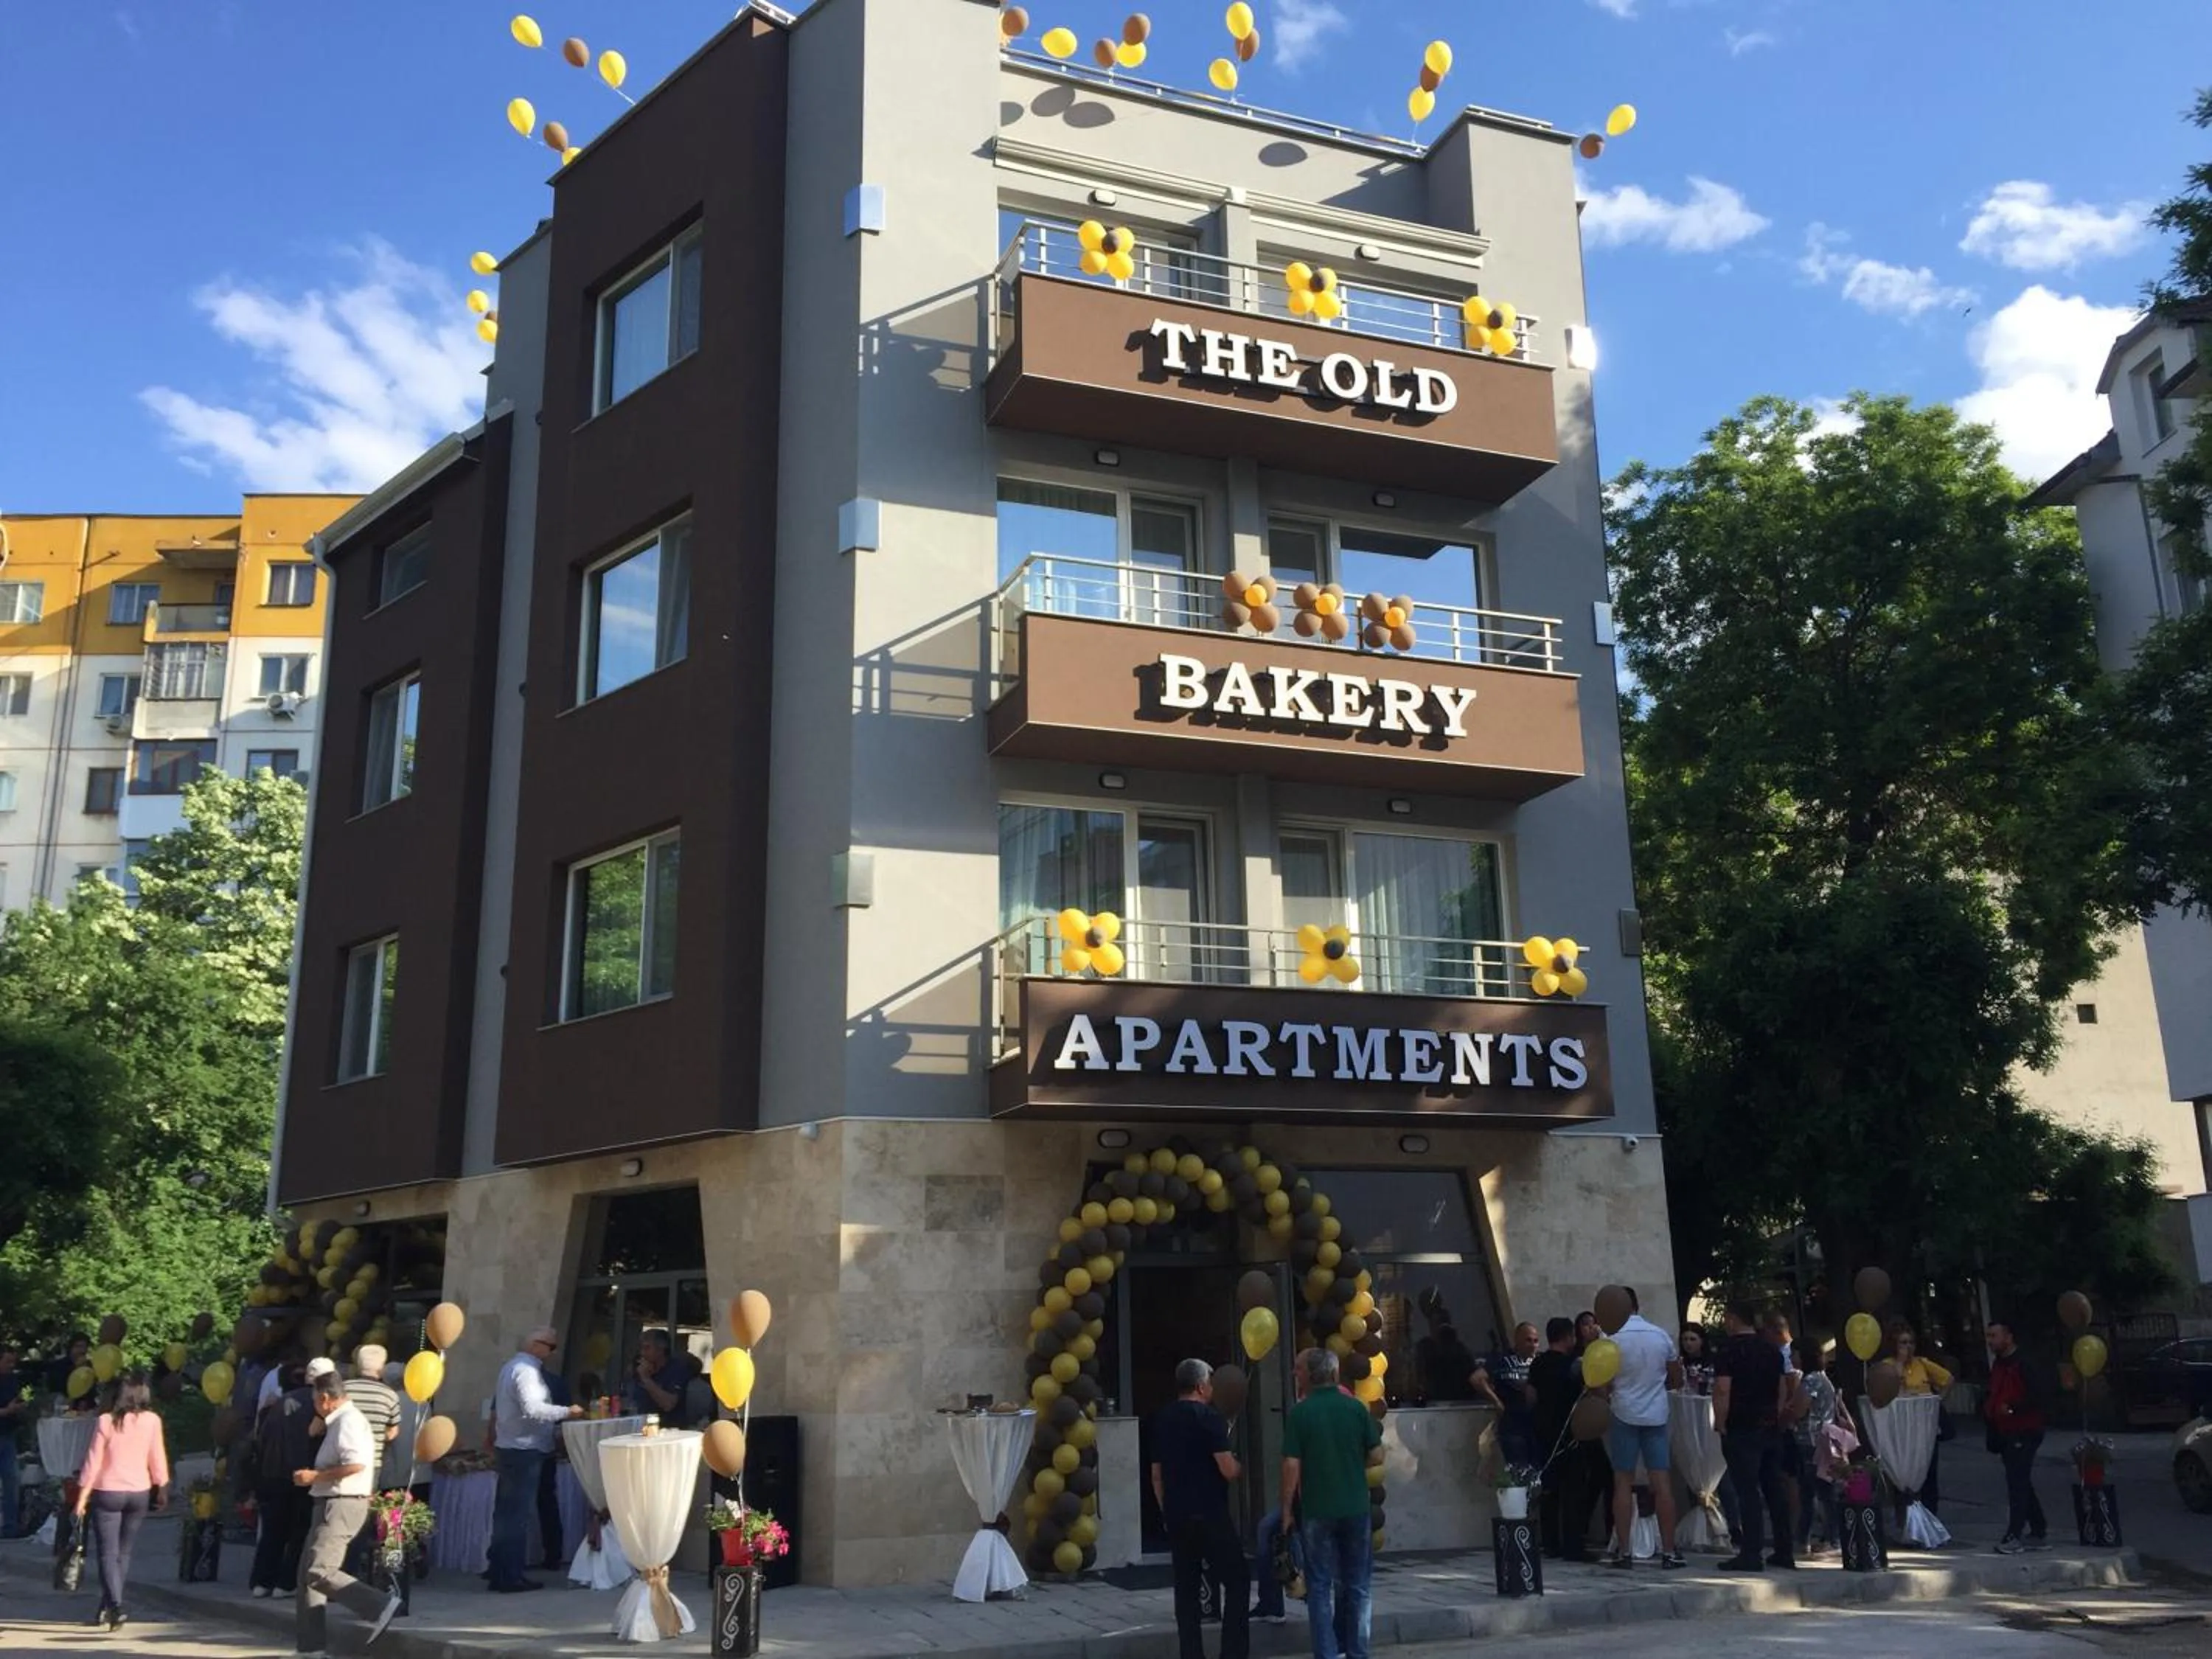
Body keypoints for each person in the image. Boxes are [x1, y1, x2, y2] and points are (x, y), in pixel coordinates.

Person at [1281, 1347, 1382, 1659]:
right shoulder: (1354, 1408)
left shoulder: (1300, 1413)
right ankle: (1357, 1652)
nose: (1294, 1374)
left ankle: (1326, 1653)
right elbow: (1377, 1455)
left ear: (1311, 1375)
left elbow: (1291, 1466)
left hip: (1318, 1509)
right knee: (1358, 1585)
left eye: (1297, 1369)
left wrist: (1286, 1509)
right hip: (1355, 1507)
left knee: (1320, 1586)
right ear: (1335, 1374)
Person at [293, 1371, 403, 1655]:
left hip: (341, 1501)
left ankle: (379, 1605)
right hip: (332, 1500)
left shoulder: (348, 1421)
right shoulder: (341, 1421)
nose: (314, 1406)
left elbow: (355, 1464)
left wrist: (314, 1476)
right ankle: (310, 1647)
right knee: (307, 1576)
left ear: (325, 1399)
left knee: (320, 1571)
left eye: (315, 1400)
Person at [1149, 1359, 1247, 1659]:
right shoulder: (1209, 1418)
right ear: (1202, 1386)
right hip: (1210, 1513)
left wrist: (1167, 1510)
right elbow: (1227, 1469)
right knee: (1238, 1580)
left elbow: (1156, 1474)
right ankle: (1233, 1652)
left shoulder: (1162, 1418)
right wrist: (1240, 1465)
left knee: (1186, 1589)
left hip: (1178, 1513)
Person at [73, 1369, 170, 1632]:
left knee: (108, 1552)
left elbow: (93, 1462)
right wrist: (162, 1487)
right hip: (139, 1492)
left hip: (108, 1493)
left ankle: (115, 1605)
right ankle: (107, 1606)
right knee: (123, 1553)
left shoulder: (106, 1421)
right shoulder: (152, 1420)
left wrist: (82, 1497)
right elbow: (157, 1455)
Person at [490, 1326, 584, 1592]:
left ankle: (500, 1571)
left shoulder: (511, 1367)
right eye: (551, 1347)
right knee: (516, 1516)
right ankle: (510, 1576)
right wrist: (569, 1412)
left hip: (511, 1446)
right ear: (536, 1346)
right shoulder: (527, 1371)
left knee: (506, 1514)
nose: (553, 1353)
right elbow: (534, 1409)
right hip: (525, 1449)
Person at [1603, 1288, 1685, 1569]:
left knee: (1622, 1483)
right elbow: (1677, 1378)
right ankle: (1669, 1552)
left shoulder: (1610, 1340)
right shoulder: (1660, 1335)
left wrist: (1614, 1394)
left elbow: (1601, 1383)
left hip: (1623, 1412)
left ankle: (1625, 1551)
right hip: (1656, 1414)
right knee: (1662, 1484)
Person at [1711, 1301, 1791, 1572]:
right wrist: (1776, 1418)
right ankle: (1784, 1549)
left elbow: (1723, 1389)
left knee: (1747, 1490)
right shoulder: (1771, 1350)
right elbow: (1782, 1389)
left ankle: (1751, 1552)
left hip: (1741, 1426)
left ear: (1733, 1319)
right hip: (1768, 1425)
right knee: (1774, 1489)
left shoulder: (1729, 1350)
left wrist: (1720, 1422)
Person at [1984, 1321, 2051, 1554]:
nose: (1991, 1341)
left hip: (2025, 1428)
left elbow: (2039, 1395)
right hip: (2006, 1430)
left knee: (2017, 1482)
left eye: (1995, 1336)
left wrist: (2013, 1407)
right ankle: (2038, 1528)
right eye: (1989, 1336)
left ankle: (2015, 1534)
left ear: (2008, 1337)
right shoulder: (1999, 1365)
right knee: (2019, 1478)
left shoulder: (2024, 1363)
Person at [251, 1361, 317, 1598]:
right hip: (303, 1473)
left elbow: (260, 1441)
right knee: (299, 1530)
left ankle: (262, 1582)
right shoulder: (316, 1403)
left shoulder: (274, 1407)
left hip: (273, 1473)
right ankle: (286, 1582)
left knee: (272, 1531)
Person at [1528, 1318, 1587, 1562]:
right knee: (1574, 1491)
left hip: (1544, 1432)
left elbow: (1530, 1396)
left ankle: (1550, 1543)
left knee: (1550, 1490)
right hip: (1569, 1433)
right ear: (1568, 1338)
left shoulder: (1538, 1364)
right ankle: (1573, 1546)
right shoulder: (1574, 1366)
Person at [341, 1347, 402, 1576]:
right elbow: (393, 1433)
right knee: (361, 1519)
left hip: (342, 1462)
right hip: (371, 1464)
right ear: (382, 1368)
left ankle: (334, 1567)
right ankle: (352, 1571)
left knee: (338, 1516)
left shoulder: (345, 1390)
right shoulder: (389, 1395)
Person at [1890, 1321, 1953, 1517]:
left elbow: (1948, 1379)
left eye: (1911, 1343)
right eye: (1903, 1343)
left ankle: (1931, 1517)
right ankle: (1906, 1519)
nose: (1908, 1348)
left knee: (1929, 1474)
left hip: (1925, 1427)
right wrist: (1900, 1364)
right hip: (1903, 1428)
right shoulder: (1888, 1366)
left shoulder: (1922, 1364)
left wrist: (1937, 1400)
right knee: (1904, 1476)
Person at [1472, 1323, 1542, 1467]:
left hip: (1537, 1428)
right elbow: (1477, 1379)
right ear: (1517, 1340)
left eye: (1536, 1341)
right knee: (1520, 1471)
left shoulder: (1540, 1362)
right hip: (1513, 1427)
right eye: (1528, 1340)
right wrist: (1496, 1401)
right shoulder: (1502, 1360)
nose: (1533, 1345)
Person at [623, 1329, 690, 1427]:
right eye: (641, 1348)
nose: (643, 1353)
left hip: (668, 1429)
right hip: (639, 1426)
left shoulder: (677, 1369)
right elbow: (625, 1399)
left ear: (661, 1349)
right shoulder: (637, 1367)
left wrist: (646, 1379)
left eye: (647, 1348)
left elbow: (668, 1405)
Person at [0, 1345, 27, 1537]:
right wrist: (5, 1412)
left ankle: (11, 1526)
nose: (11, 1365)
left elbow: (16, 1399)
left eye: (13, 1362)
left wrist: (20, 1407)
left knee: (12, 1480)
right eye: (7, 1361)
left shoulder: (12, 1379)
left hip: (8, 1434)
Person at [1677, 1325, 1714, 1395]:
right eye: (1685, 1339)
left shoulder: (1713, 1361)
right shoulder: (1680, 1362)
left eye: (1693, 1339)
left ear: (1702, 1341)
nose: (1688, 1343)